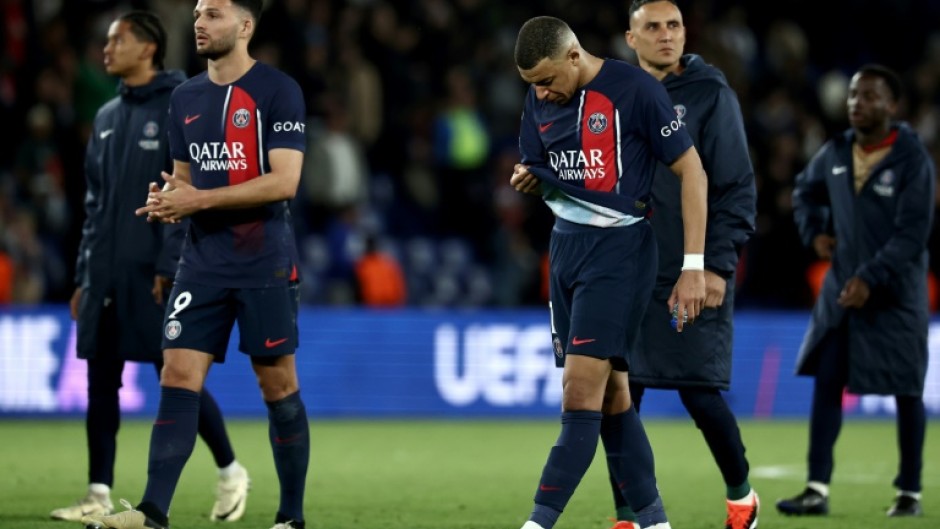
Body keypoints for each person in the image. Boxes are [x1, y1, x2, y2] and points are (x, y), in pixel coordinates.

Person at [81, 1, 310, 529]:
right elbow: (185, 179)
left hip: (263, 264)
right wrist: (168, 197)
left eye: (213, 14)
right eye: (198, 13)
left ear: (245, 26)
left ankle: (290, 518)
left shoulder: (278, 90)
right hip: (201, 262)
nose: (200, 23)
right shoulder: (185, 97)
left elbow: (285, 182)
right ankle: (153, 511)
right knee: (178, 373)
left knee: (276, 385)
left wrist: (197, 201)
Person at [510, 15, 708, 529]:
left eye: (549, 80)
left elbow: (692, 170)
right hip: (565, 248)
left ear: (574, 56)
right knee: (614, 395)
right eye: (533, 85)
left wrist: (693, 266)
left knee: (579, 394)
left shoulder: (635, 90)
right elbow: (535, 165)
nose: (543, 94)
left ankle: (536, 523)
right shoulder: (539, 96)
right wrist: (527, 177)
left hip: (619, 248)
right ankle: (655, 522)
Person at [52, 10, 250, 524]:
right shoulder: (106, 116)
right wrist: (83, 274)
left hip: (159, 270)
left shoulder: (181, 105)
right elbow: (95, 206)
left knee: (175, 375)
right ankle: (97, 493)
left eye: (118, 40)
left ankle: (230, 470)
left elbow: (191, 191)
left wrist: (172, 263)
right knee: (100, 377)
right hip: (106, 273)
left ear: (147, 48)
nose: (106, 49)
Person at [604, 2, 760, 529]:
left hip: (689, 272)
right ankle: (628, 513)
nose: (666, 36)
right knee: (620, 396)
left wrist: (714, 265)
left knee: (699, 393)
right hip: (627, 273)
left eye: (674, 26)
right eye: (653, 27)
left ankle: (741, 493)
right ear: (632, 37)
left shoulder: (710, 94)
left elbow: (736, 185)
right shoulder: (614, 95)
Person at [777, 64, 934, 518]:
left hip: (896, 294)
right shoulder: (837, 150)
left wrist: (872, 276)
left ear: (891, 105)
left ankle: (909, 492)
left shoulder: (911, 159)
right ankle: (816, 489)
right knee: (828, 382)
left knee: (907, 390)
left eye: (868, 97)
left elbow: (913, 234)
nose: (856, 104)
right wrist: (815, 233)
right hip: (844, 291)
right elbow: (804, 193)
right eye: (852, 96)